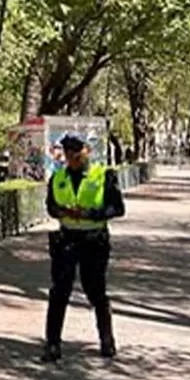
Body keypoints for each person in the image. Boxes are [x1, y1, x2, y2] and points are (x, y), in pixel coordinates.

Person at [41, 133, 125, 362]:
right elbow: (50, 206)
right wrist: (62, 212)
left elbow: (117, 208)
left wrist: (89, 214)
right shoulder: (58, 177)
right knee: (59, 291)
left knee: (95, 290)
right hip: (67, 239)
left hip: (94, 240)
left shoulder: (103, 175)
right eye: (68, 154)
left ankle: (107, 341)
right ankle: (52, 344)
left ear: (86, 151)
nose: (72, 158)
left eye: (76, 154)